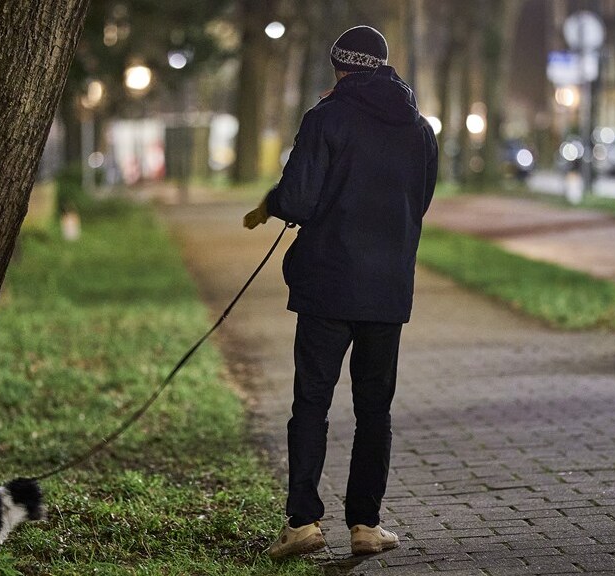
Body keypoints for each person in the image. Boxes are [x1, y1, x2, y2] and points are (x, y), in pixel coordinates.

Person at [243, 25, 437, 559]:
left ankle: (303, 523)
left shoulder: (325, 117)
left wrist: (275, 201)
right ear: (382, 66)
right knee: (376, 408)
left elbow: (300, 201)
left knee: (312, 402)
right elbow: (419, 202)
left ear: (340, 68)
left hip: (329, 285)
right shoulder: (418, 128)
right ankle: (365, 526)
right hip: (387, 288)